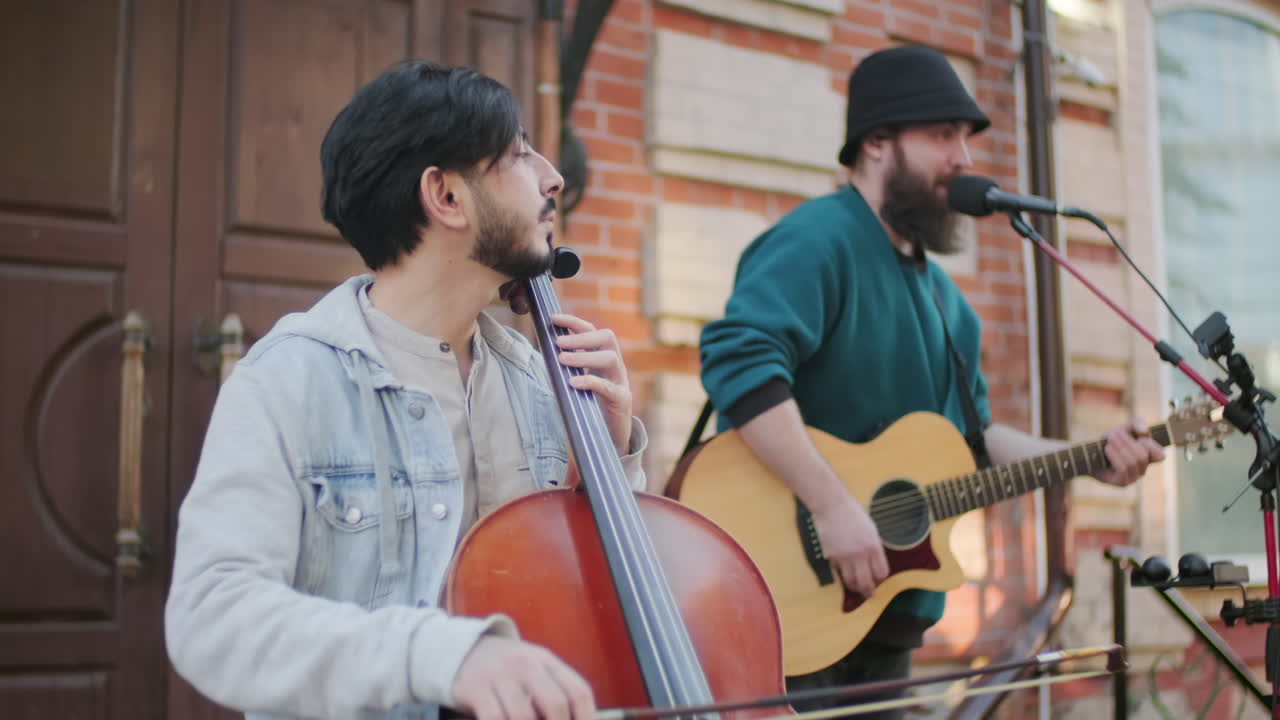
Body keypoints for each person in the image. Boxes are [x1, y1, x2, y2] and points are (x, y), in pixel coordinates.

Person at [166, 61, 648, 720]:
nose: (552, 177)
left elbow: (599, 608)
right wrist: (440, 655)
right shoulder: (286, 382)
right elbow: (212, 618)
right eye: (517, 154)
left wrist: (606, 462)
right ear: (445, 196)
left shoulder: (543, 382)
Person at [698, 44, 1165, 718]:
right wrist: (833, 506)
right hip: (787, 602)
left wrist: (1088, 459)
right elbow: (741, 368)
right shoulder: (818, 240)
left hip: (886, 615)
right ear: (877, 141)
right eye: (943, 135)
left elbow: (974, 441)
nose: (964, 158)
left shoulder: (950, 306)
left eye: (966, 138)